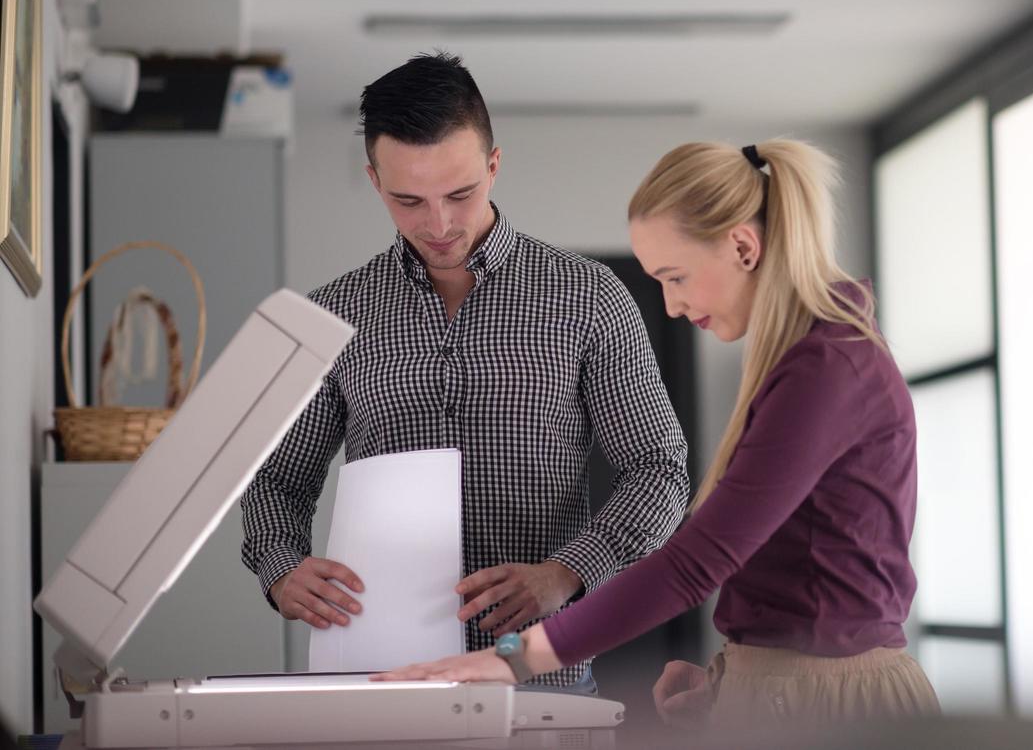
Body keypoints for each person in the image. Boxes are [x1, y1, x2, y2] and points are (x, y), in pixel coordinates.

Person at [375, 139, 940, 728]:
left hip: (831, 705)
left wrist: (509, 659)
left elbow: (694, 564)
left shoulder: (827, 368)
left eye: (675, 277)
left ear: (743, 247)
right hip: (788, 689)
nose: (671, 305)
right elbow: (808, 560)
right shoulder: (807, 360)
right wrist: (738, 669)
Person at [241, 52, 690, 690]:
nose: (440, 223)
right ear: (373, 181)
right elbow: (275, 481)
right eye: (408, 200)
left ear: (494, 165)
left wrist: (566, 572)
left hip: (541, 685)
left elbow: (660, 470)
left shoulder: (588, 298)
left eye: (460, 193)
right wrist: (281, 568)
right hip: (382, 682)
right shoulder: (334, 315)